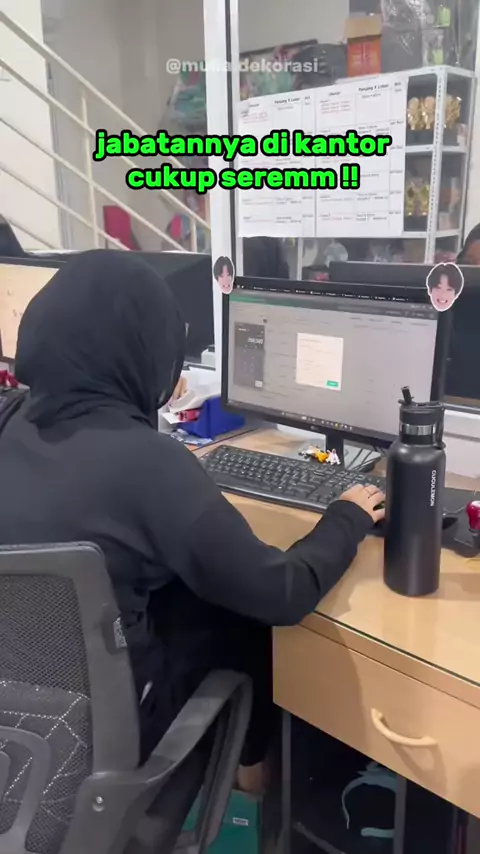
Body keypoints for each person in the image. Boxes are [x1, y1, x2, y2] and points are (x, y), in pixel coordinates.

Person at [0, 250, 385, 791]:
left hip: (25, 721)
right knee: (237, 612)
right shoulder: (147, 464)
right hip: (110, 740)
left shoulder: (10, 419)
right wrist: (346, 516)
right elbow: (283, 592)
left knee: (188, 584)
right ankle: (256, 779)